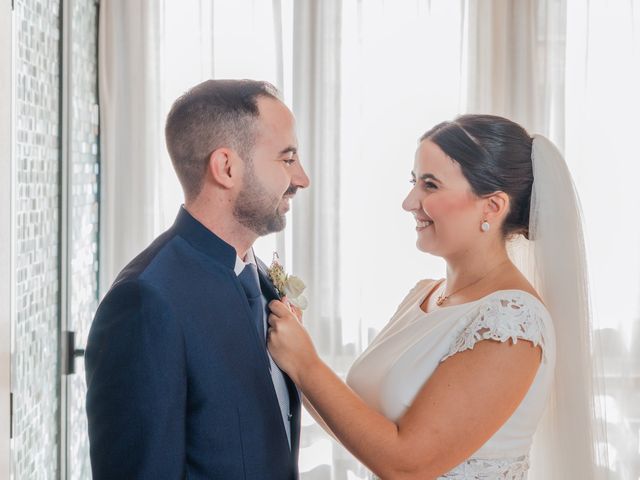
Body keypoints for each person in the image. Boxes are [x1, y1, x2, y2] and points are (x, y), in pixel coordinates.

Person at [268, 114, 602, 479]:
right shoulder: (423, 295)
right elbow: (362, 433)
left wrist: (306, 363)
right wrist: (293, 355)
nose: (410, 202)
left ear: (492, 206)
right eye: (414, 182)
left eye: (430, 185)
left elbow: (407, 465)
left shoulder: (512, 322)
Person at [85, 79, 310, 479]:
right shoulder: (146, 301)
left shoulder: (260, 277)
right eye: (287, 159)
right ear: (226, 167)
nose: (302, 178)